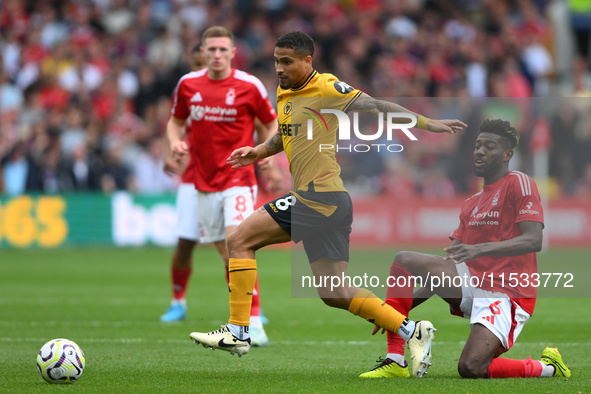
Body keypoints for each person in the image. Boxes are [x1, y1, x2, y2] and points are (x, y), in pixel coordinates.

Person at [187, 31, 467, 376]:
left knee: (239, 240)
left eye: (287, 61)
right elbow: (285, 134)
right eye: (276, 61)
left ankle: (238, 330)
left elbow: (378, 106)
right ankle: (412, 330)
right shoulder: (286, 91)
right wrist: (257, 151)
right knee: (333, 292)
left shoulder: (327, 87)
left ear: (308, 61)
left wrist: (428, 124)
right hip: (331, 202)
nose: (279, 68)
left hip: (316, 197)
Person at [360, 119, 571, 379]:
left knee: (471, 368)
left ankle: (547, 367)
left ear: (507, 155)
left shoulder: (519, 182)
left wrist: (479, 249)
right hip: (472, 283)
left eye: (489, 146)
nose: (480, 151)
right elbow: (440, 275)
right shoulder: (471, 203)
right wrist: (392, 315)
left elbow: (534, 240)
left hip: (507, 293)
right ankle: (396, 360)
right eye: (477, 145)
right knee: (404, 259)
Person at [166, 28, 279, 346]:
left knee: (238, 241)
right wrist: (175, 143)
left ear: (232, 53)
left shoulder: (249, 85)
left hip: (239, 179)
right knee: (228, 256)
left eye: (222, 49)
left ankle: (253, 321)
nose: (216, 54)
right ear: (203, 51)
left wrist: (265, 155)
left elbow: (270, 123)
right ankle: (242, 322)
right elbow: (175, 121)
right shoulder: (188, 85)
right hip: (204, 182)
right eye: (211, 49)